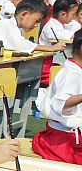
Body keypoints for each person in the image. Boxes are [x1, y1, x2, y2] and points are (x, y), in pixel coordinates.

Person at [32, 30, 82, 163]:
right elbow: (61, 103)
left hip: (67, 136)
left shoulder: (75, 70)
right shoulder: (72, 74)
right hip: (63, 140)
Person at [0, 0, 67, 56]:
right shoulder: (7, 25)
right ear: (24, 15)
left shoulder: (13, 26)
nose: (36, 25)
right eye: (36, 21)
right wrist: (50, 48)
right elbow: (19, 44)